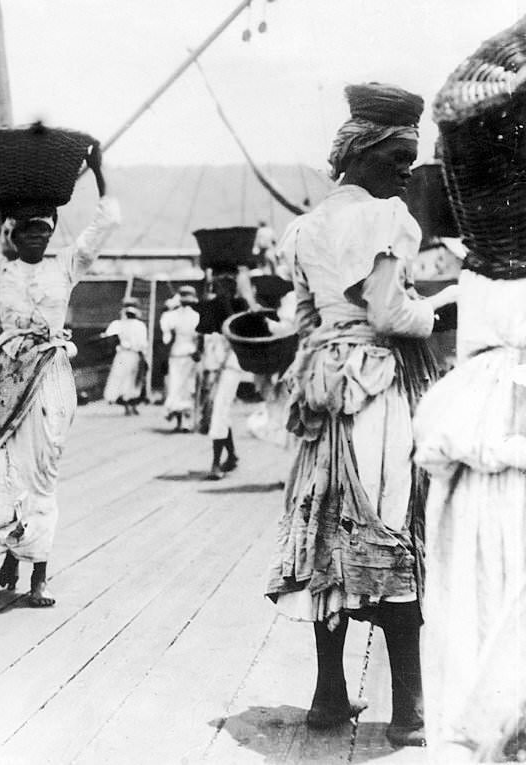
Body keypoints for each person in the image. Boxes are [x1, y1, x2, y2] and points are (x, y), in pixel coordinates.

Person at [263, 83, 458, 748]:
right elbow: (387, 311)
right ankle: (409, 707)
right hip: (375, 387)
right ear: (366, 151)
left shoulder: (308, 225)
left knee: (328, 524)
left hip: (324, 391)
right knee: (390, 521)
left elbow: (306, 317)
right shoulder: (390, 219)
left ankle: (328, 692)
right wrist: (440, 311)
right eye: (399, 154)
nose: (408, 168)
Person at [0, 139, 119, 608]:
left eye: (44, 229)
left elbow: (108, 222)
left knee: (42, 474)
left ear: (52, 231)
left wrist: (98, 170)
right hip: (9, 381)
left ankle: (39, 573)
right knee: (0, 470)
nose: (36, 237)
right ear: (14, 234)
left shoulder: (68, 266)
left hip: (52, 380)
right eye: (28, 230)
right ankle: (11, 551)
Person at [412, 25, 526, 760]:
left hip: (476, 443)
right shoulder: (485, 274)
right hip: (501, 447)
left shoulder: (479, 272)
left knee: (477, 612)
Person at [198, 273, 246, 479]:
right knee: (220, 410)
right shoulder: (214, 311)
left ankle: (216, 463)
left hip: (228, 367)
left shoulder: (234, 310)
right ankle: (232, 455)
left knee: (219, 410)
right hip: (216, 367)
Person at [160, 286, 201, 431]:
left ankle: (180, 422)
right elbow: (199, 337)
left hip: (177, 353)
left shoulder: (172, 316)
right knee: (188, 387)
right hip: (190, 353)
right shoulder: (197, 316)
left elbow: (166, 337)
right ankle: (187, 423)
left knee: (176, 385)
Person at [102, 297, 150, 415]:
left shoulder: (119, 324)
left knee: (127, 379)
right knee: (129, 379)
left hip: (126, 355)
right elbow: (143, 344)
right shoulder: (134, 325)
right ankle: (129, 405)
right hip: (130, 354)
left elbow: (107, 336)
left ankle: (130, 405)